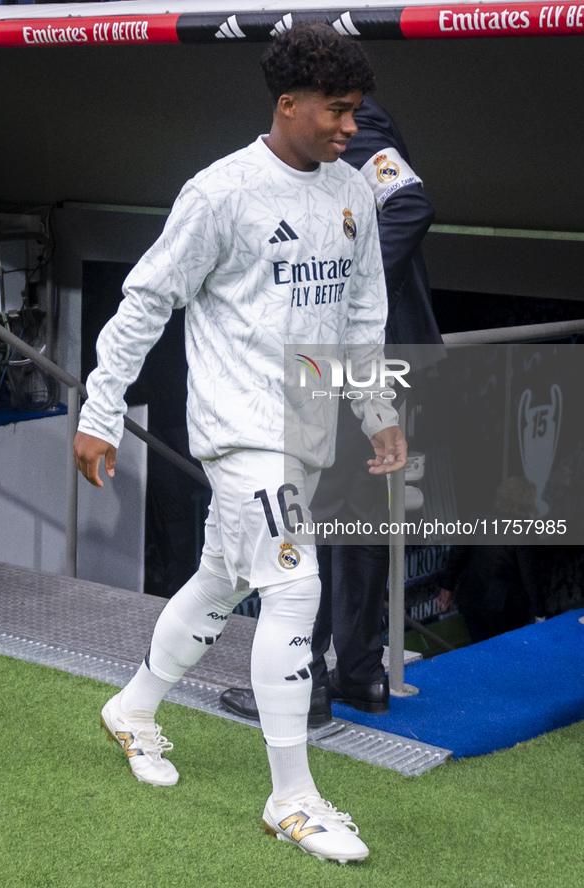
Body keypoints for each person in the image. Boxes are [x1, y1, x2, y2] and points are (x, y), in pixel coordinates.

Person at [73, 23, 406, 865]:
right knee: (293, 589)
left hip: (305, 428)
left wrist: (376, 411)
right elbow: (146, 299)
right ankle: (292, 797)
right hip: (240, 430)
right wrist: (100, 410)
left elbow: (363, 313)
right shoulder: (220, 193)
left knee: (225, 581)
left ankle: (134, 707)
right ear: (287, 104)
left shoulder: (353, 191)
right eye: (336, 110)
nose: (348, 127)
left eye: (355, 110)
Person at [221, 93, 442, 726]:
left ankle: (308, 683)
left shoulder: (356, 122)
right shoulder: (344, 123)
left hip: (356, 357)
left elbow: (408, 205)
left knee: (313, 510)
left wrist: (342, 300)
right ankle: (361, 675)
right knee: (355, 517)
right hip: (372, 360)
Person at [437, 477, 546, 642]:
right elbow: (530, 576)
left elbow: (457, 555)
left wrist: (447, 587)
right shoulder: (525, 531)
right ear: (526, 500)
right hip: (504, 608)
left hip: (471, 599)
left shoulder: (477, 518)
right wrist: (539, 612)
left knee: (480, 649)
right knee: (505, 654)